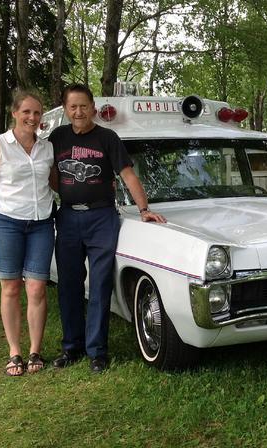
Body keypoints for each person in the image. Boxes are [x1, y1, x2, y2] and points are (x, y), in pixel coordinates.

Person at [49, 83, 166, 373]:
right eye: (73, 107)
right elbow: (50, 174)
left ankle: (97, 352)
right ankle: (71, 347)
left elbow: (127, 174)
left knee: (100, 284)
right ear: (66, 109)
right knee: (69, 285)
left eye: (84, 106)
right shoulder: (57, 138)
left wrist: (144, 209)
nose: (79, 112)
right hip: (67, 218)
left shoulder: (107, 137)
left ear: (93, 108)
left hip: (101, 218)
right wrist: (67, 193)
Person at [0, 91, 55, 376]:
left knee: (36, 287)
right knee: (10, 287)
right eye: (27, 112)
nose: (32, 118)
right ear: (14, 113)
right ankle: (14, 352)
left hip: (42, 224)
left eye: (37, 113)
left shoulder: (47, 148)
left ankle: (35, 349)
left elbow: (58, 182)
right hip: (6, 222)